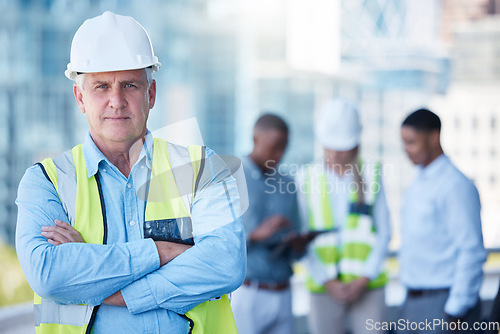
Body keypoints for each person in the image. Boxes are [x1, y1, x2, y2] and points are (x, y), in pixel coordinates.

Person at [15, 11, 246, 334]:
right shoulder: (45, 181)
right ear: (80, 98)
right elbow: (48, 274)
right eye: (101, 87)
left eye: (130, 85)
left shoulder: (202, 169)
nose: (116, 100)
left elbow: (226, 265)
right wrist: (161, 250)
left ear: (150, 95)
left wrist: (100, 281)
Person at [296, 98, 391, 334]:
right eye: (331, 146)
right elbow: (300, 237)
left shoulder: (372, 175)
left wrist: (363, 278)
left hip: (367, 286)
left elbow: (385, 232)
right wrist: (327, 281)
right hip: (323, 287)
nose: (335, 154)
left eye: (342, 147)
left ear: (356, 144)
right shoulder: (306, 177)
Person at [399, 108, 486, 334]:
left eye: (411, 142)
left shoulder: (454, 185)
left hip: (444, 304)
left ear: (434, 137)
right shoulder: (418, 182)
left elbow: (471, 250)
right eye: (404, 143)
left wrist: (455, 310)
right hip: (413, 303)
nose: (406, 150)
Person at [231, 114, 307, 334]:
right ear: (255, 139)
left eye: (284, 148)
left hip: (284, 292)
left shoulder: (289, 184)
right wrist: (255, 235)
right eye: (274, 147)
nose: (279, 155)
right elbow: (214, 243)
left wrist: (298, 244)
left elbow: (297, 251)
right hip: (247, 294)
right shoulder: (230, 178)